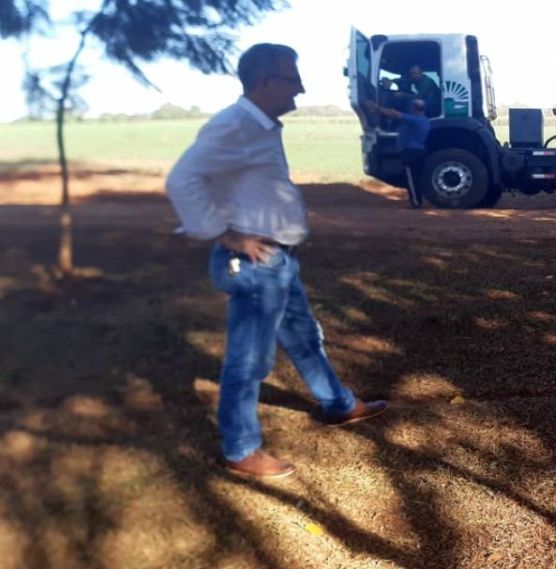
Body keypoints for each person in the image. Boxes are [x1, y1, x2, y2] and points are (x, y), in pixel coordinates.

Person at [165, 43, 388, 479]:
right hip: (254, 265)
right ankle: (239, 449)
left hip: (277, 261)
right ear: (265, 82)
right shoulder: (234, 126)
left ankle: (339, 404)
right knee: (248, 360)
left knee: (306, 337)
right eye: (293, 78)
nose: (301, 88)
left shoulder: (260, 126)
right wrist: (224, 234)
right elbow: (182, 179)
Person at [365, 97, 432, 207]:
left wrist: (377, 108)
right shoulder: (424, 120)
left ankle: (415, 202)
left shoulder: (415, 120)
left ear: (414, 108)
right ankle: (417, 200)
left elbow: (395, 114)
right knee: (416, 178)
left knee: (411, 179)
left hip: (411, 153)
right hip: (418, 151)